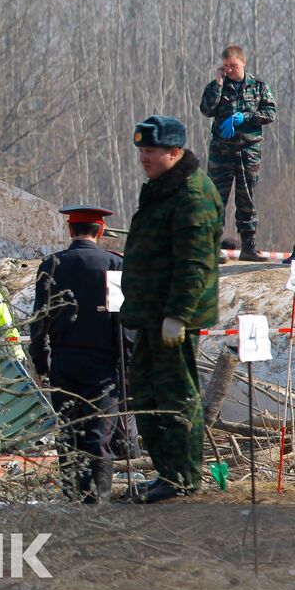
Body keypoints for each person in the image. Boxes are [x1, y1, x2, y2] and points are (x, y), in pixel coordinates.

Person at [120, 115, 222, 503]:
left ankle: (181, 477)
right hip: (151, 314)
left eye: (152, 151)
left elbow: (194, 263)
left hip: (172, 317)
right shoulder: (165, 187)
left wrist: (178, 314)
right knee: (145, 394)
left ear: (174, 152)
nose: (144, 157)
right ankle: (167, 472)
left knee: (176, 396)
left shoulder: (192, 194)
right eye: (142, 150)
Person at [30, 206, 125, 502]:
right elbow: (122, 320)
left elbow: (39, 318)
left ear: (70, 231)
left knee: (68, 432)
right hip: (103, 363)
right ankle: (98, 500)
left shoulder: (53, 264)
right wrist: (127, 363)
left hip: (64, 361)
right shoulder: (113, 265)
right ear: (100, 231)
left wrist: (40, 360)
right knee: (99, 434)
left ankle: (72, 495)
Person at [199, 45, 275, 261]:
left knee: (246, 199)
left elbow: (270, 112)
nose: (230, 70)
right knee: (215, 199)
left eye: (233, 65)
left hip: (248, 152)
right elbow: (206, 110)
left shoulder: (258, 86)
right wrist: (217, 84)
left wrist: (246, 117)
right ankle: (212, 246)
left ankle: (248, 247)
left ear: (243, 62)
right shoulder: (219, 86)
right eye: (226, 66)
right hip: (221, 153)